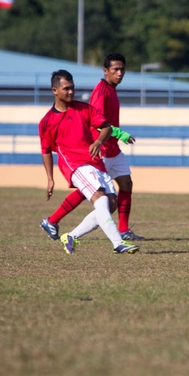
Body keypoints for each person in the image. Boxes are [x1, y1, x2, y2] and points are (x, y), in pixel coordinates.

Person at [39, 54, 145, 242]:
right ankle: (53, 221)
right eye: (115, 70)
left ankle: (122, 230)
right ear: (106, 71)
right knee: (92, 192)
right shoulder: (101, 91)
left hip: (112, 148)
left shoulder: (111, 90)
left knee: (124, 185)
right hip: (99, 149)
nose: (120, 73)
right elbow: (97, 122)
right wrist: (118, 135)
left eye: (122, 69)